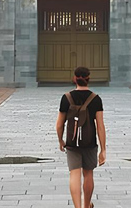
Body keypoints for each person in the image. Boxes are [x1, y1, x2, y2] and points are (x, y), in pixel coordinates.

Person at [56, 66, 106, 208]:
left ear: (74, 79)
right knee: (88, 174)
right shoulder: (96, 99)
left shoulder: (66, 98)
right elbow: (100, 126)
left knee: (74, 174)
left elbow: (59, 124)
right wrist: (103, 149)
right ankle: (86, 206)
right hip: (89, 142)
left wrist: (61, 140)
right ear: (89, 79)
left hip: (72, 142)